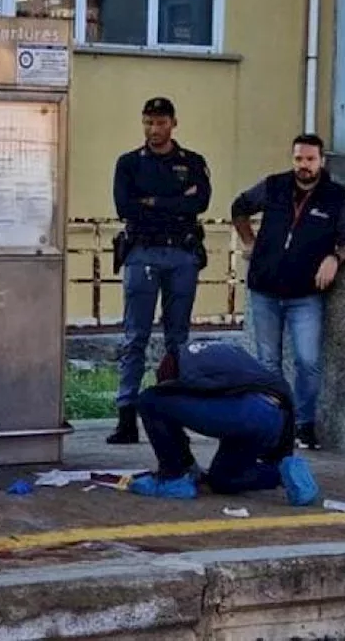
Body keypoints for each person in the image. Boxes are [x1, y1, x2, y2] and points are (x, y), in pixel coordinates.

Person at [231, 133, 345, 451]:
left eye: (310, 159)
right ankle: (274, 424)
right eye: (299, 159)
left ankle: (304, 425)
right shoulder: (274, 186)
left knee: (307, 360)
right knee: (268, 362)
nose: (304, 166)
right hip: (264, 289)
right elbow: (239, 207)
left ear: (322, 161)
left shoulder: (337, 198)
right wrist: (250, 243)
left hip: (306, 294)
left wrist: (335, 257)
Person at [108, 97, 212, 445]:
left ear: (173, 123)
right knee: (134, 336)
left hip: (181, 253)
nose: (154, 130)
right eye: (148, 123)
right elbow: (126, 207)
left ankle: (174, 412)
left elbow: (199, 203)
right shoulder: (129, 163)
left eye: (160, 123)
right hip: (142, 252)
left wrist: (153, 201)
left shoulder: (192, 162)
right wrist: (172, 203)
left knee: (177, 338)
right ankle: (126, 415)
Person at [130, 340, 320, 506]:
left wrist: (180, 463)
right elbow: (280, 395)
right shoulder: (224, 351)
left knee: (150, 400)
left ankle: (174, 479)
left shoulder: (181, 363)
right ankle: (284, 474)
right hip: (273, 414)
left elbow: (177, 398)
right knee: (224, 479)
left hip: (246, 412)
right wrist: (283, 456)